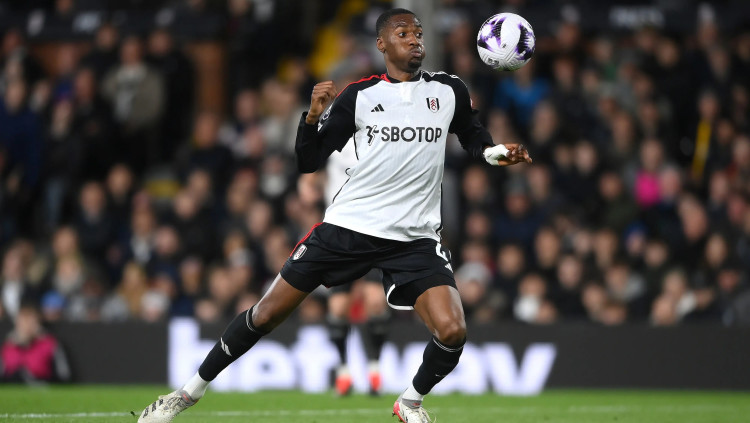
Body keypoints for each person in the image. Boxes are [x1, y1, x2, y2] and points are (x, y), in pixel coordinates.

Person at [137, 8, 531, 423]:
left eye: (418, 33)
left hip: (414, 237)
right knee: (266, 314)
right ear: (382, 44)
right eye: (403, 33)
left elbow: (472, 134)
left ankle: (410, 402)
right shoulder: (360, 97)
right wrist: (310, 119)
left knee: (453, 331)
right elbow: (308, 161)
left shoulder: (449, 90)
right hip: (349, 227)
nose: (415, 39)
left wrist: (493, 153)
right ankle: (185, 394)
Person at [324, 141, 390, 397]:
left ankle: (374, 369)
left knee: (376, 301)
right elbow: (313, 169)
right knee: (338, 307)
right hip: (339, 230)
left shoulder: (379, 137)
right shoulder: (334, 138)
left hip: (373, 229)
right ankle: (343, 372)